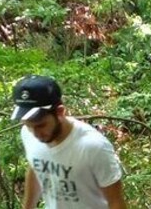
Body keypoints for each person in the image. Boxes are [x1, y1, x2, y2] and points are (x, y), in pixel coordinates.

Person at [11, 75, 127, 209]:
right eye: (29, 125)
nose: (35, 133)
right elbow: (35, 166)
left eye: (41, 125)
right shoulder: (28, 134)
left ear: (60, 112)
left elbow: (116, 201)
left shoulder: (93, 146)